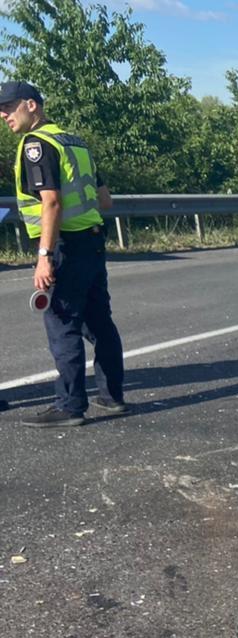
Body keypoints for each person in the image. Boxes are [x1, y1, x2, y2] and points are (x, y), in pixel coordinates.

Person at [0, 80, 126, 427]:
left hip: (65, 247)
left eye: (8, 108)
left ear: (31, 105)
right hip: (92, 239)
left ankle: (69, 406)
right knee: (99, 320)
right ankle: (112, 396)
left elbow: (50, 201)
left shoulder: (35, 145)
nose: (3, 115)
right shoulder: (75, 142)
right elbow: (104, 199)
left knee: (62, 321)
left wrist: (44, 254)